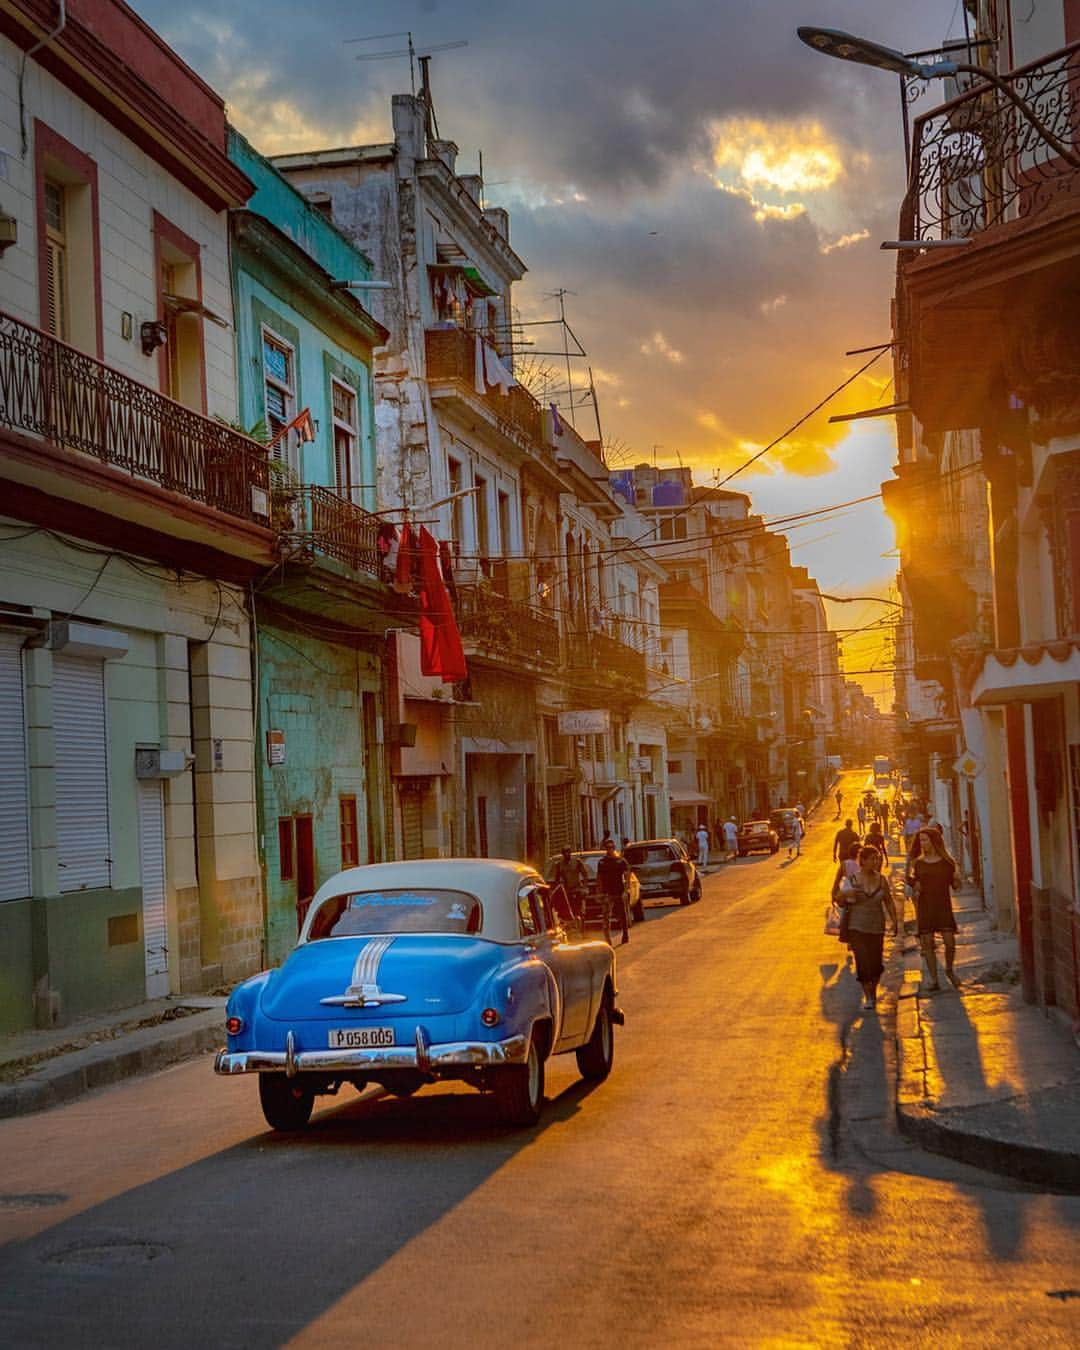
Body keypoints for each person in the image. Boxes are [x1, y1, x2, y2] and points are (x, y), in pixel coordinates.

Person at [838, 845, 898, 1010]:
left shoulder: (881, 880)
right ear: (862, 861)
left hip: (877, 927)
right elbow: (840, 900)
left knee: (876, 965)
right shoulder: (853, 880)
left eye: (877, 858)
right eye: (872, 858)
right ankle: (869, 996)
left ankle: (873, 989)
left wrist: (895, 921)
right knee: (863, 963)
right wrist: (847, 894)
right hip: (856, 927)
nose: (876, 861)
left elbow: (889, 901)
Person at [907, 826, 960, 990]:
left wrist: (957, 877)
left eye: (925, 840)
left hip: (943, 906)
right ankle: (934, 979)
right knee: (928, 944)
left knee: (949, 943)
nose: (922, 843)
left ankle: (949, 970)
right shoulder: (919, 863)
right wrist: (914, 886)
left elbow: (956, 886)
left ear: (934, 841)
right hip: (925, 906)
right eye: (921, 840)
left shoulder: (947, 863)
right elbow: (913, 883)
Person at [596, 839, 631, 945]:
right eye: (608, 848)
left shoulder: (620, 860)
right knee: (606, 916)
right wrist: (599, 891)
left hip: (618, 892)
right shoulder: (602, 862)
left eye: (611, 847)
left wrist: (626, 890)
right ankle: (607, 939)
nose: (610, 850)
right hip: (607, 893)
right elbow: (599, 877)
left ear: (614, 848)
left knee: (622, 915)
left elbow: (627, 874)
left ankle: (625, 934)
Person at [552, 847, 589, 924]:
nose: (567, 854)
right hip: (566, 890)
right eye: (565, 853)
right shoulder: (559, 865)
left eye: (568, 852)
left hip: (577, 888)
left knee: (580, 907)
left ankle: (581, 919)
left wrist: (584, 887)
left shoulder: (577, 862)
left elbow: (585, 874)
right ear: (563, 854)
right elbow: (556, 879)